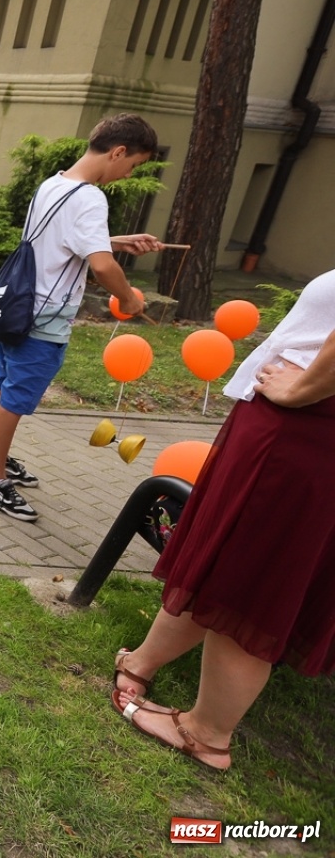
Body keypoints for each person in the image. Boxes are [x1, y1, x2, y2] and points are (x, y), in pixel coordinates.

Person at [111, 269, 335, 771]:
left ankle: (207, 734)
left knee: (250, 584)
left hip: (306, 430)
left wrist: (299, 392)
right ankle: (144, 661)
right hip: (300, 429)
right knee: (221, 560)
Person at [0, 114, 163, 522]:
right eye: (132, 166)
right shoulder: (91, 197)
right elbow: (103, 268)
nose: (128, 175)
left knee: (2, 385)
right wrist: (129, 299)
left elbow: (60, 237)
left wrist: (114, 240)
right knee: (16, 399)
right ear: (117, 152)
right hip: (45, 318)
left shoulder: (55, 183)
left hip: (18, 308)